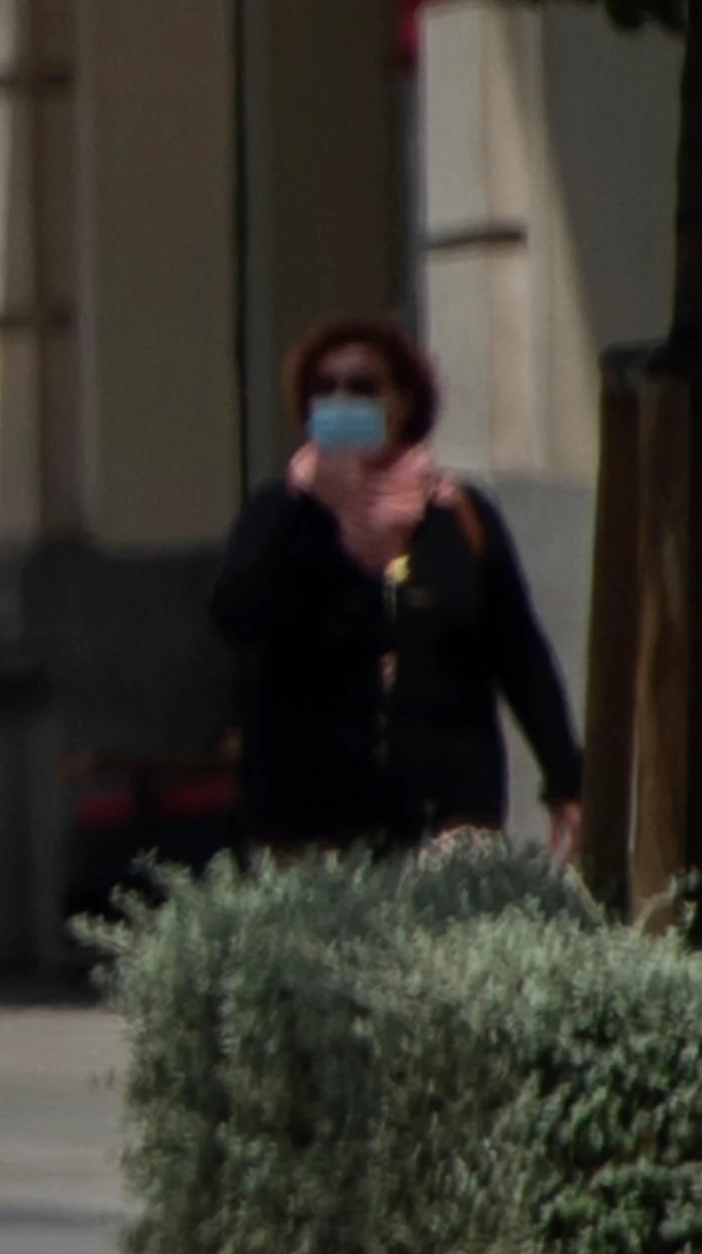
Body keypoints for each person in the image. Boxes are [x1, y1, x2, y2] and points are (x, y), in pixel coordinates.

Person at [205, 318, 581, 857]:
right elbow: (234, 614)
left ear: (403, 403)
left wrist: (564, 776)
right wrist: (317, 512)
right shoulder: (281, 511)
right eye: (325, 389)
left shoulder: (457, 515)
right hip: (315, 821)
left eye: (362, 388)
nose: (341, 401)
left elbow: (517, 648)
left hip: (450, 809)